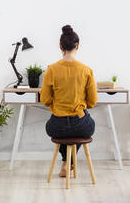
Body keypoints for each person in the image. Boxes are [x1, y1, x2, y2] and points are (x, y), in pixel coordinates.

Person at [41, 25, 97, 177]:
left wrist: (56, 105)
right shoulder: (86, 70)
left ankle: (66, 161)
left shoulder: (51, 69)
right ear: (77, 46)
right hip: (81, 125)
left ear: (60, 46)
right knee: (87, 125)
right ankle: (69, 161)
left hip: (57, 125)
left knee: (53, 129)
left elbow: (44, 100)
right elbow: (92, 102)